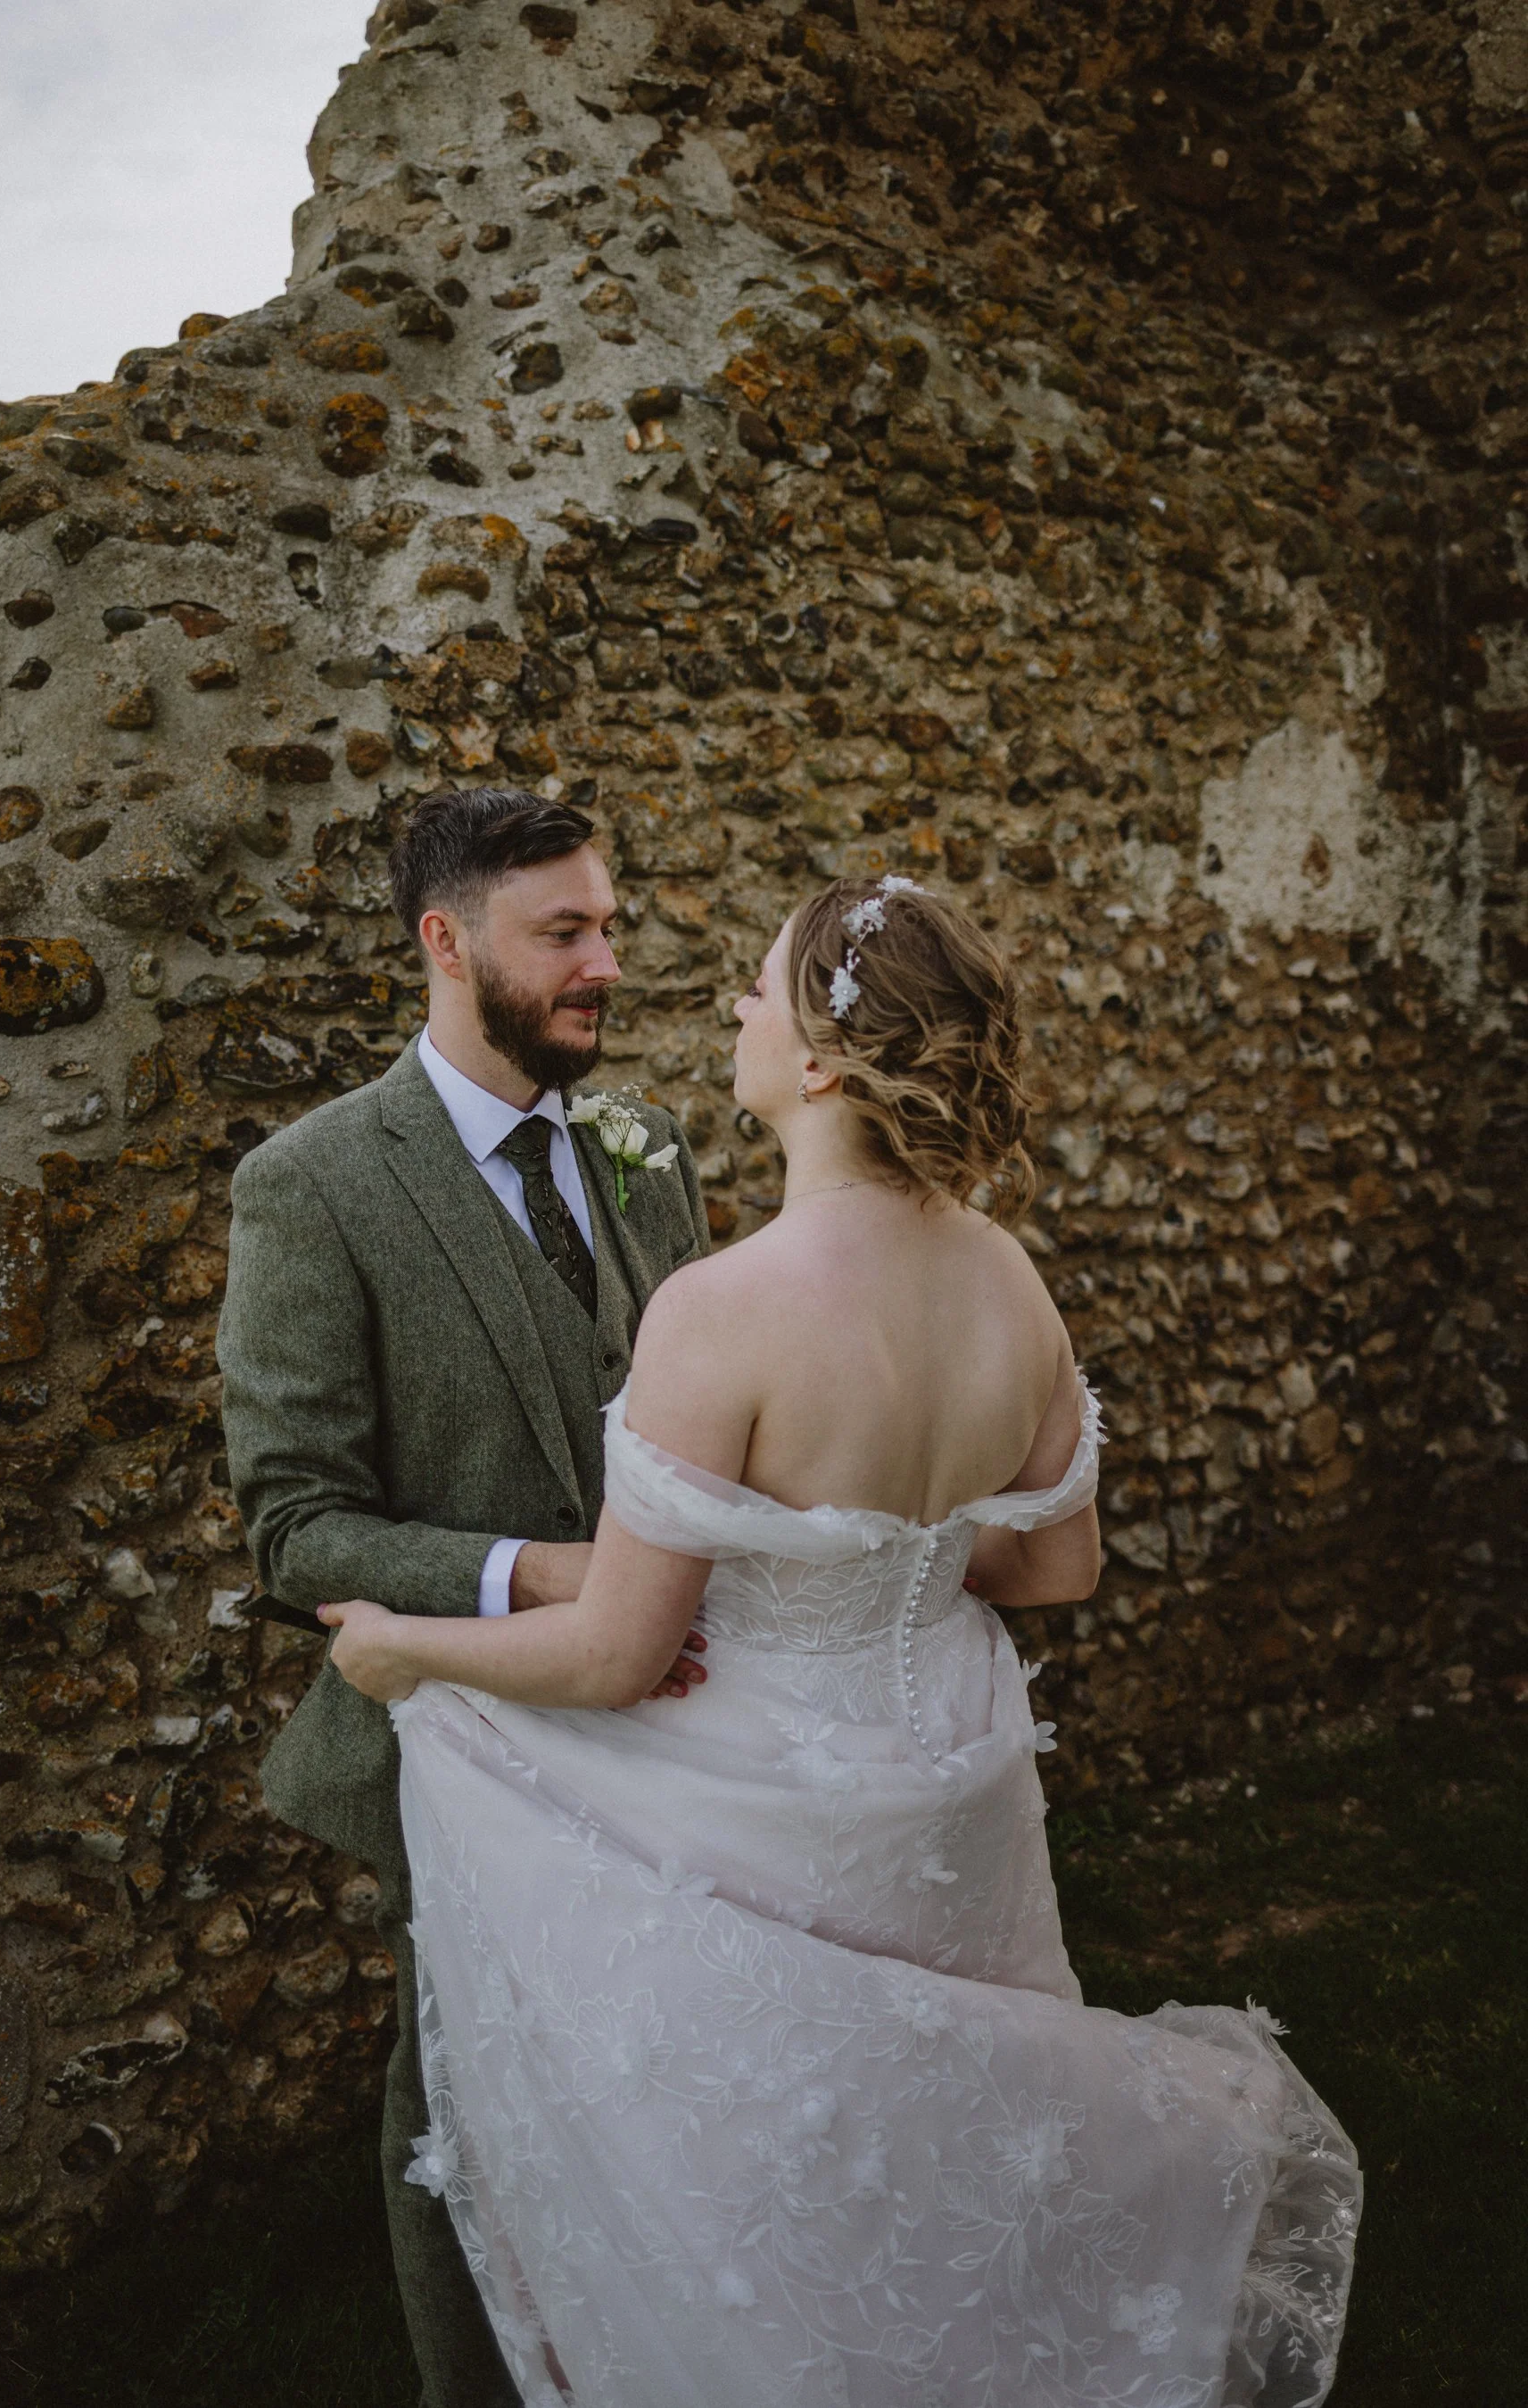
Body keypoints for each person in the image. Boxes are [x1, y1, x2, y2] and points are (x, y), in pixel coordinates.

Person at [322, 873, 1361, 2408]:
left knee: (789, 2185)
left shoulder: (720, 1308)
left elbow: (617, 1654)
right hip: (951, 1779)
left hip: (766, 1797)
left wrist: (408, 1651)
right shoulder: (1012, 1278)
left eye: (757, 991)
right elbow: (1052, 1564)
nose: (734, 1011)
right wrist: (903, 1547)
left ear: (816, 1060)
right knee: (949, 2163)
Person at [217, 786, 713, 2408]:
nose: (606, 963)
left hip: (676, 1720)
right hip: (464, 1740)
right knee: (469, 2105)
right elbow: (295, 1526)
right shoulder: (316, 1185)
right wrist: (544, 1572)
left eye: (610, 925)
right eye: (564, 931)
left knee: (665, 2086)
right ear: (446, 942)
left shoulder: (652, 1154)